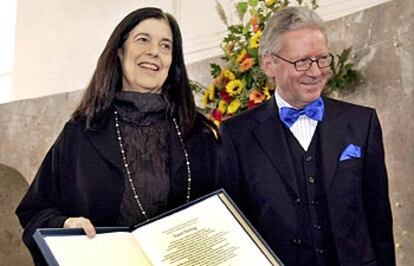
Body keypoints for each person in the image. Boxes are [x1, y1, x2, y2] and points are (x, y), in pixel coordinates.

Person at [16, 7, 219, 265]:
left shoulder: (198, 135)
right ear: (120, 51)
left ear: (172, 63)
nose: (154, 51)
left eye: (166, 45)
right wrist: (65, 224)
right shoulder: (81, 132)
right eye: (143, 39)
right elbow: (34, 212)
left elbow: (226, 214)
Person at [219, 6, 395, 266]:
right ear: (269, 64)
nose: (315, 72)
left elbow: (379, 219)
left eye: (322, 59)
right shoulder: (237, 135)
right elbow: (234, 231)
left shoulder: (362, 122)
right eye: (301, 61)